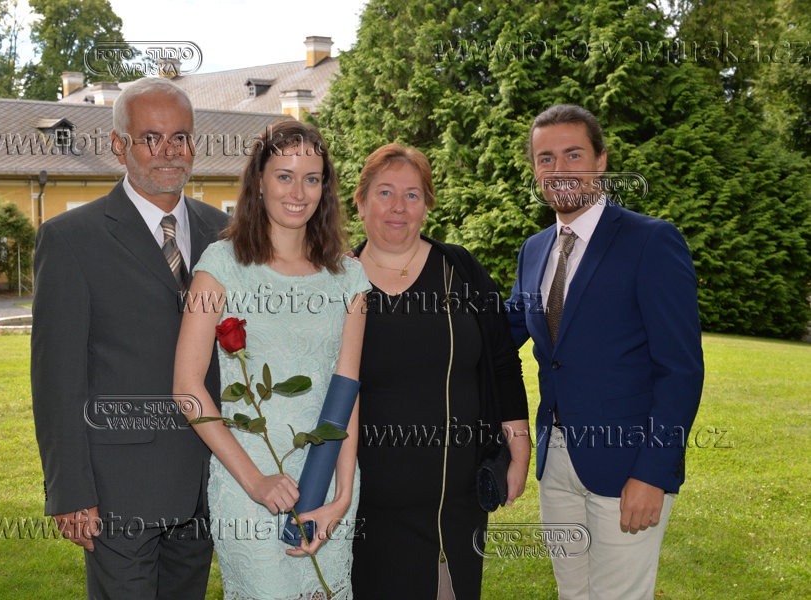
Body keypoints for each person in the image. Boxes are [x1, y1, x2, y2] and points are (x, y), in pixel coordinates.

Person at [31, 77, 229, 599]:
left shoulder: (224, 233)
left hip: (207, 482)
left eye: (180, 137)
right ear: (119, 145)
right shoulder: (70, 239)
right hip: (118, 490)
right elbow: (56, 379)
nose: (169, 151)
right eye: (151, 138)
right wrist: (70, 490)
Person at [506, 104, 704, 599]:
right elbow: (498, 333)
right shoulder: (534, 250)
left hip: (627, 466)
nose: (559, 169)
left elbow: (680, 371)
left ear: (601, 161)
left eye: (573, 154)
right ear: (535, 170)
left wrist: (653, 474)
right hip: (556, 463)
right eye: (546, 158)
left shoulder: (651, 241)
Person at [173, 121, 367, 599]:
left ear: (325, 188)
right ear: (258, 181)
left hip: (327, 486)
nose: (298, 192)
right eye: (284, 176)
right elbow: (187, 388)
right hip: (249, 487)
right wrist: (257, 482)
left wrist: (342, 497)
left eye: (311, 178)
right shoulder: (220, 267)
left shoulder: (349, 277)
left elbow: (346, 391)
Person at [349, 143, 530, 599]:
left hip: (456, 501)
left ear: (427, 206)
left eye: (412, 195)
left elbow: (503, 361)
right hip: (364, 505)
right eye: (385, 192)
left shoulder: (460, 270)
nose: (398, 206)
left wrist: (519, 447)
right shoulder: (336, 280)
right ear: (360, 201)